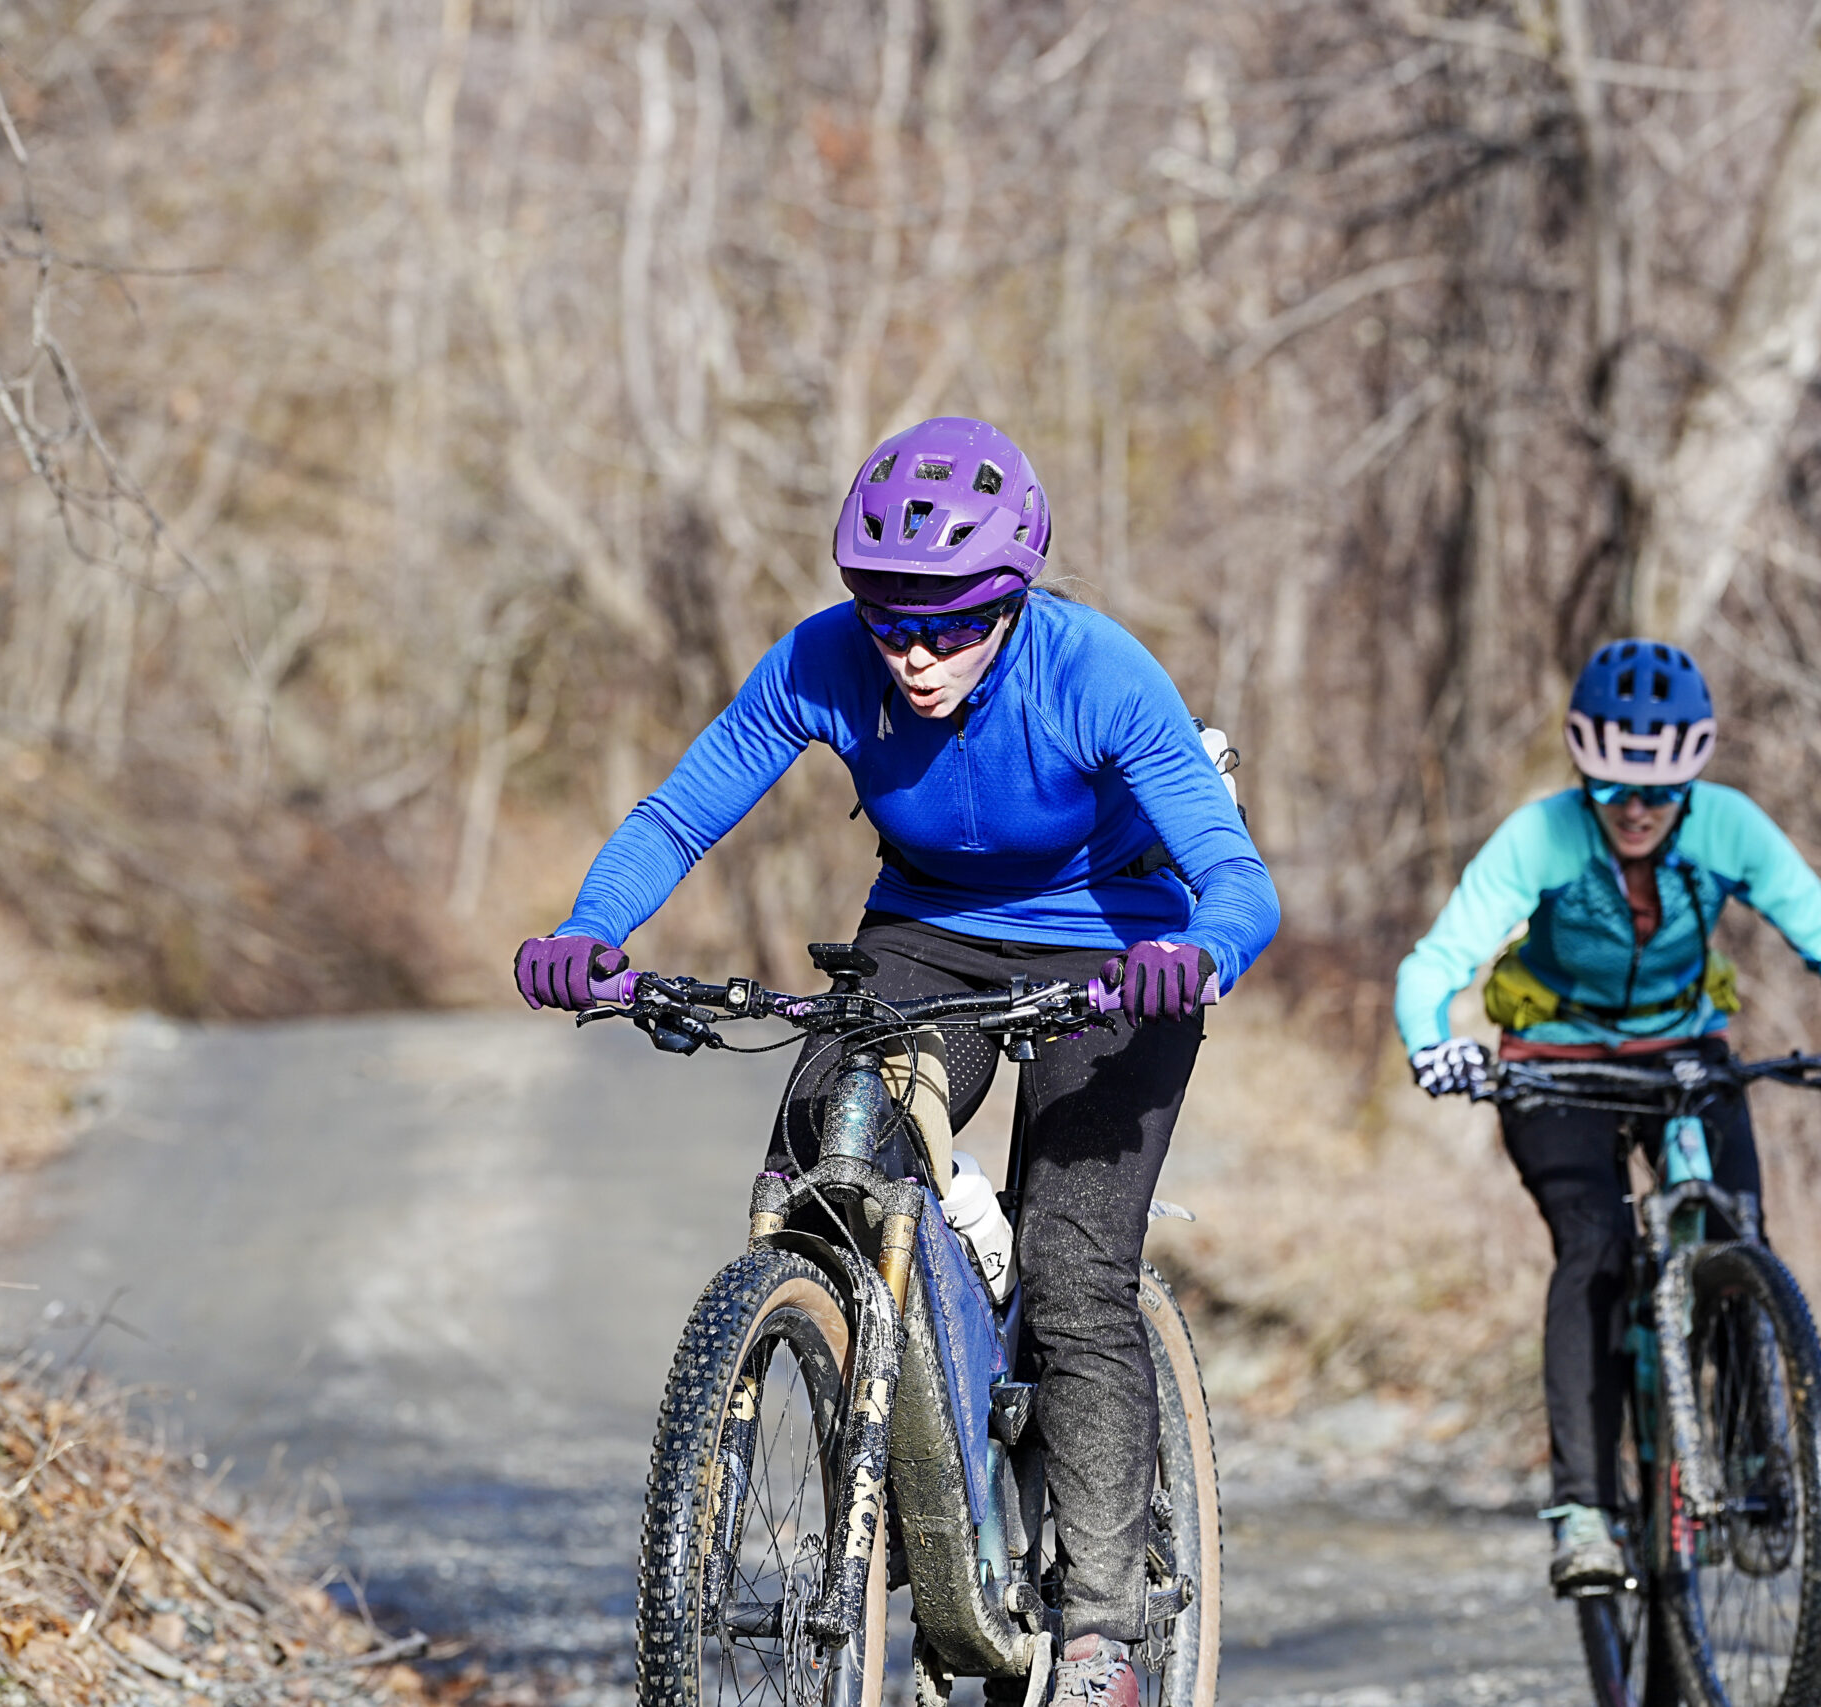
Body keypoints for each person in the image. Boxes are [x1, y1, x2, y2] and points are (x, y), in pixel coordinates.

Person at [514, 417, 1278, 1707]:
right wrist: (592, 929)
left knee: (1074, 1267)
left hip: (1117, 949)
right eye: (889, 622)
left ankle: (1097, 1630)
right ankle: (897, 1467)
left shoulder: (1098, 672)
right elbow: (681, 813)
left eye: (953, 624)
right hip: (926, 935)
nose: (915, 654)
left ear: (1012, 600)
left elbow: (1238, 883)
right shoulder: (824, 659)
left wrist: (1194, 954)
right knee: (822, 1171)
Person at [1393, 639, 1821, 1595]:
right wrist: (1432, 1040)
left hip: (1683, 1052)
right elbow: (1436, 961)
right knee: (1595, 1249)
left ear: (1692, 778)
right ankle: (1585, 1512)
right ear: (1582, 770)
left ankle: (1755, 1452)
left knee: (1737, 1229)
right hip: (1554, 1063)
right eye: (1613, 788)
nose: (1636, 809)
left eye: (1659, 790)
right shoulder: (1541, 836)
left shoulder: (1730, 827)